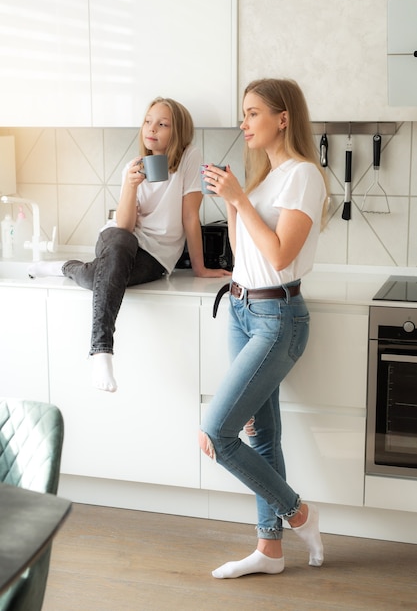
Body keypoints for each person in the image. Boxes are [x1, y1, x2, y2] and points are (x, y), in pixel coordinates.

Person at [199, 78, 328, 579]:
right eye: (243, 113)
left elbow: (280, 255)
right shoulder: (264, 178)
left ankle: (298, 513)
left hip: (278, 320)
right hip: (241, 308)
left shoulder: (303, 176)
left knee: (217, 433)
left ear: (283, 118)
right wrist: (233, 202)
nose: (244, 122)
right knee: (260, 435)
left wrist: (241, 200)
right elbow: (243, 254)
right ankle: (269, 551)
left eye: (253, 113)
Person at [29, 97, 230, 392]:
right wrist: (130, 186)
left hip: (155, 255)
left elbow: (190, 216)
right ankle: (101, 350)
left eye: (162, 124)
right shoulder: (132, 168)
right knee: (121, 244)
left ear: (178, 132)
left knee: (96, 277)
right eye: (148, 121)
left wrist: (200, 268)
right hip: (120, 238)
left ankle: (63, 267)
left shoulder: (189, 158)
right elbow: (123, 227)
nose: (152, 129)